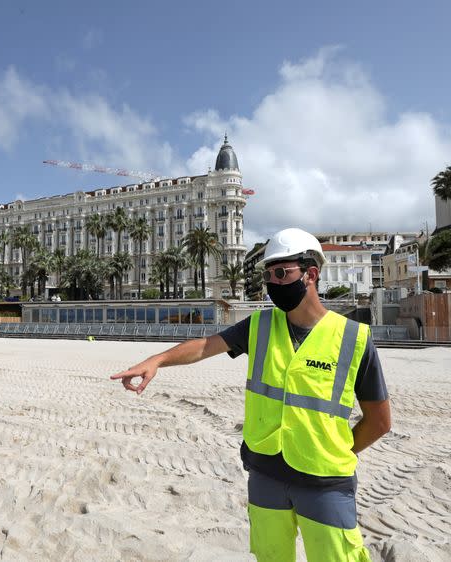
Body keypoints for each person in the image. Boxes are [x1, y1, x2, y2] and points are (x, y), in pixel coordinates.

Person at [110, 228, 390, 561]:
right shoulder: (258, 326)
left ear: (311, 274)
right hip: (265, 477)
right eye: (268, 274)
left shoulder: (354, 338)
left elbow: (379, 421)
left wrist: (331, 451)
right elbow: (204, 347)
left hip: (326, 483)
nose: (272, 282)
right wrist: (157, 360)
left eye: (281, 273)